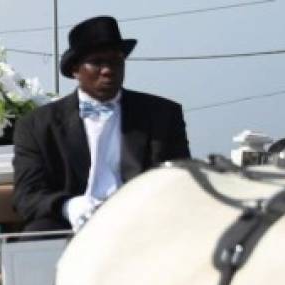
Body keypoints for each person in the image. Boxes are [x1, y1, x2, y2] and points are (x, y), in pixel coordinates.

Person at [12, 15, 191, 232]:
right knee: (35, 238)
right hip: (69, 225)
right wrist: (70, 206)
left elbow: (177, 182)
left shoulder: (162, 114)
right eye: (97, 62)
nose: (108, 69)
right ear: (75, 70)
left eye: (116, 61)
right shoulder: (36, 125)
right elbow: (27, 196)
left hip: (143, 222)